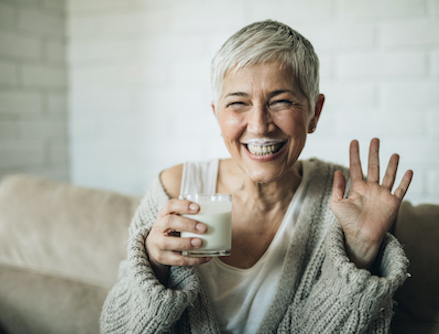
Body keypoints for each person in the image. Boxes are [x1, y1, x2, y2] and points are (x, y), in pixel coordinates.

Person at [100, 20, 413, 334]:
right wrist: (154, 265)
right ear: (217, 115)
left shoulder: (347, 202)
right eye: (238, 103)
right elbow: (115, 328)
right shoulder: (174, 188)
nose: (260, 125)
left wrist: (359, 251)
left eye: (281, 101)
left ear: (315, 112)